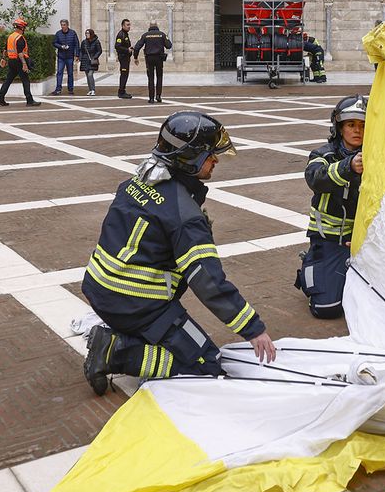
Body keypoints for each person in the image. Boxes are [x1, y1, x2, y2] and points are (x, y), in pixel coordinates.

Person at [81, 111, 275, 393]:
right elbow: (208, 281)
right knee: (205, 364)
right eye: (210, 154)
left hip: (101, 290)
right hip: (138, 305)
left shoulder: (138, 181)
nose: (216, 160)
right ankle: (117, 352)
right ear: (191, 158)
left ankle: (127, 339)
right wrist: (253, 328)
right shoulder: (184, 214)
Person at [297, 96, 365, 319]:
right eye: (351, 125)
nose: (357, 130)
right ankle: (312, 264)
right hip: (329, 240)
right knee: (326, 309)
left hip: (364, 242)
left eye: (363, 125)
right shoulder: (322, 154)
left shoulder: (378, 156)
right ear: (339, 127)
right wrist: (348, 167)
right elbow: (315, 178)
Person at [0, 17, 40, 107]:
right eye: (24, 27)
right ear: (21, 28)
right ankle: (29, 100)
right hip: (19, 62)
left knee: (8, 80)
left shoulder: (11, 37)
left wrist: (3, 58)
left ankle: (0, 99)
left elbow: (5, 50)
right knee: (25, 80)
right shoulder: (19, 38)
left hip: (11, 61)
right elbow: (20, 53)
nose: (24, 29)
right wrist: (24, 64)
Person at [133, 22, 171, 104]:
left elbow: (137, 47)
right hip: (159, 58)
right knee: (159, 76)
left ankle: (151, 98)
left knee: (151, 78)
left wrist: (135, 57)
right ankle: (158, 96)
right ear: (157, 26)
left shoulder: (145, 35)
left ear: (149, 26)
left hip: (149, 58)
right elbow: (169, 45)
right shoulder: (162, 34)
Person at [52, 19, 80, 96]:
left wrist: (77, 55)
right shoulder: (58, 33)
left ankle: (70, 89)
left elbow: (76, 44)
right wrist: (61, 46)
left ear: (67, 25)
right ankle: (58, 89)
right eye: (62, 25)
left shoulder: (73, 33)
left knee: (70, 73)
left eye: (64, 25)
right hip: (61, 56)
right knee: (59, 72)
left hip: (70, 56)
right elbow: (54, 43)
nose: (63, 26)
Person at [114, 18, 136, 100]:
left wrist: (129, 48)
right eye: (127, 25)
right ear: (123, 26)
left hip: (126, 57)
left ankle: (123, 90)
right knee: (123, 75)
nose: (129, 26)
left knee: (125, 75)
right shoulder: (121, 34)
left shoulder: (125, 34)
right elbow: (117, 46)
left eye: (129, 25)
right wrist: (127, 50)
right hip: (123, 58)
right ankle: (121, 92)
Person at [80, 28, 103, 97]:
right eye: (86, 33)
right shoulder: (84, 42)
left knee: (90, 74)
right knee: (87, 76)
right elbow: (81, 50)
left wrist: (95, 57)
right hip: (85, 60)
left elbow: (99, 51)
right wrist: (81, 58)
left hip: (92, 60)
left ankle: (93, 90)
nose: (87, 35)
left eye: (88, 33)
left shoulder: (96, 42)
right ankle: (90, 90)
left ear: (91, 34)